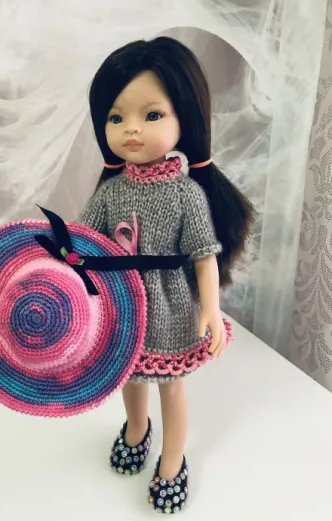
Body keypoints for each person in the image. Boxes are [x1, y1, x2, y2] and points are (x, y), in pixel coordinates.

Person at [78, 36, 255, 514]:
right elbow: (83, 240)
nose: (131, 129)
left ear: (185, 120)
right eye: (116, 118)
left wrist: (211, 309)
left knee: (170, 386)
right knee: (127, 376)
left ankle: (173, 460)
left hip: (171, 307)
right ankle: (137, 429)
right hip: (122, 305)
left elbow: (204, 256)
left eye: (152, 115)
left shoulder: (186, 194)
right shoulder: (111, 192)